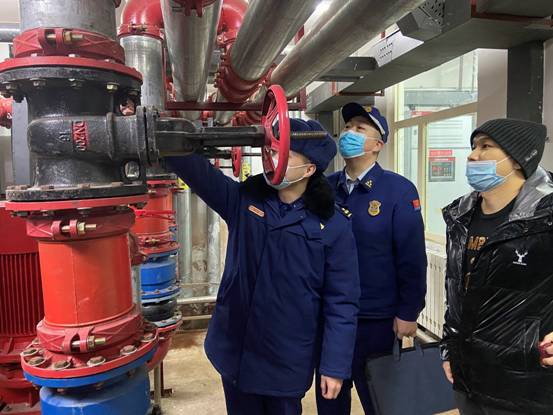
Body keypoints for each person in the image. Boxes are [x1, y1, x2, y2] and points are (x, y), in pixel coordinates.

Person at [165, 119, 360, 415]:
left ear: (309, 169)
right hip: (235, 350)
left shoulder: (333, 226)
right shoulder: (245, 199)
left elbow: (342, 301)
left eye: (285, 153)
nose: (273, 158)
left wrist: (334, 366)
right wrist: (164, 134)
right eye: (272, 149)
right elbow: (196, 171)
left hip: (286, 358)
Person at [318, 103, 427, 415]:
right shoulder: (324, 188)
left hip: (377, 320)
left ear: (378, 144)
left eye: (359, 128)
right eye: (347, 127)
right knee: (330, 401)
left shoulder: (398, 190)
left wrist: (408, 312)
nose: (349, 133)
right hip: (331, 318)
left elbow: (412, 258)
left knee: (380, 403)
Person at [441, 118, 553, 414]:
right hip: (469, 375)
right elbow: (456, 291)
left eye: (485, 146)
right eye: (473, 146)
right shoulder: (460, 217)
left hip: (525, 382)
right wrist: (449, 348)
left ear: (517, 158)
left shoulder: (546, 217)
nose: (472, 155)